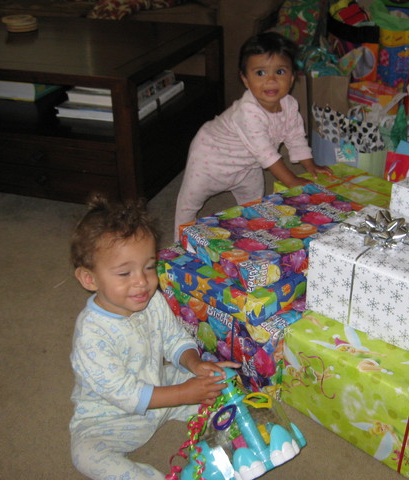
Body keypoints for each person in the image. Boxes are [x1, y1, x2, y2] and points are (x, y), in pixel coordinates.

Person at [68, 195, 239, 480]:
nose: (142, 281)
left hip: (161, 386)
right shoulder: (91, 334)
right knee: (85, 455)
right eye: (125, 272)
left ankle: (231, 442)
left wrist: (195, 366)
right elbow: (125, 393)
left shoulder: (153, 300)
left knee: (216, 385)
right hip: (107, 420)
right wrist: (186, 393)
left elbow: (174, 339)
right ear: (89, 279)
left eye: (149, 266)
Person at [173, 31, 332, 239]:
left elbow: (295, 137)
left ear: (292, 77)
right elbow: (267, 154)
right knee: (188, 204)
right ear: (245, 79)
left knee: (254, 203)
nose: (271, 80)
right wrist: (292, 180)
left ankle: (251, 234)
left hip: (248, 165)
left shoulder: (290, 105)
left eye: (280, 72)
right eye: (260, 73)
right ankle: (177, 244)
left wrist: (310, 165)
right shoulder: (248, 111)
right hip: (210, 159)